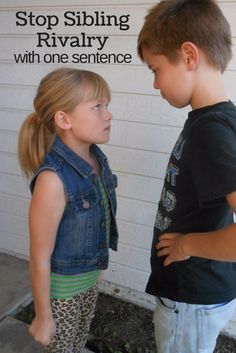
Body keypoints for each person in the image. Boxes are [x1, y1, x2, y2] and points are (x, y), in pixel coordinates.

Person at [137, 1, 236, 352]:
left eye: (156, 69)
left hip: (191, 298)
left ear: (189, 56)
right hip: (194, 296)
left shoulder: (213, 131)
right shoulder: (213, 122)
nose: (154, 84)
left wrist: (186, 245)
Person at [18, 67, 119, 353]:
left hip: (89, 281)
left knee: (76, 344)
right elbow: (39, 257)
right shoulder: (52, 180)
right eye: (97, 107)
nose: (108, 114)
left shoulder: (97, 159)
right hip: (62, 294)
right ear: (63, 119)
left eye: (106, 105)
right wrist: (43, 315)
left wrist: (98, 268)